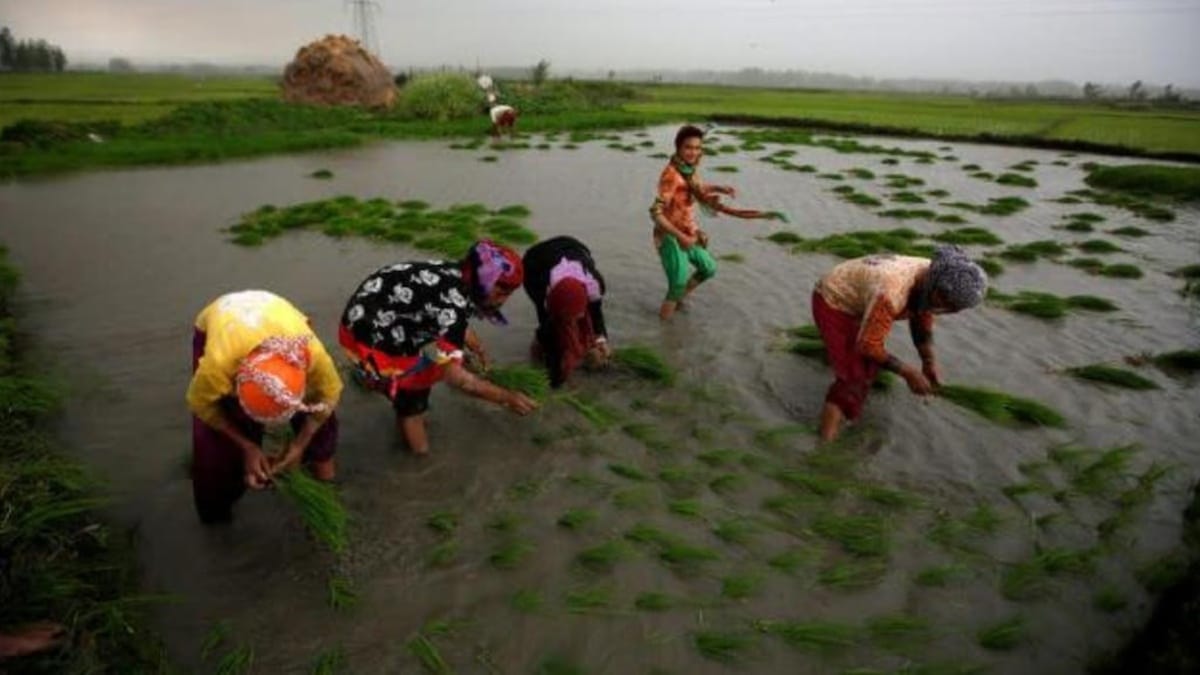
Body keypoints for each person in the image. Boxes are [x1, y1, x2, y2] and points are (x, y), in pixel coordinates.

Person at [338, 240, 539, 455]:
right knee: (414, 398)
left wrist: (475, 346)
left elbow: (444, 312)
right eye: (501, 291)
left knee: (406, 380)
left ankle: (372, 380)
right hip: (373, 343)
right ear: (484, 280)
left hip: (361, 314)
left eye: (509, 293)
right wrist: (506, 397)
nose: (504, 300)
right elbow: (455, 377)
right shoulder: (453, 308)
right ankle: (420, 456)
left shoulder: (457, 274)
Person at [187, 290, 343, 524]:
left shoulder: (311, 354)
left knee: (318, 410)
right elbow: (200, 405)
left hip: (278, 314)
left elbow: (329, 396)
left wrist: (300, 444)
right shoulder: (217, 366)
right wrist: (247, 446)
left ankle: (324, 477)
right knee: (215, 441)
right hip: (223, 318)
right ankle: (218, 508)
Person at [811, 245, 988, 442]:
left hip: (863, 294)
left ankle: (846, 411)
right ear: (937, 288)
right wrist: (908, 373)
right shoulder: (892, 291)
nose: (949, 311)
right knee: (854, 377)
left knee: (868, 367)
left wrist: (928, 361)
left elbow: (921, 315)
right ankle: (824, 445)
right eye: (948, 304)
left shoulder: (933, 277)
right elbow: (868, 345)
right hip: (833, 299)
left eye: (955, 308)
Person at [650, 124, 784, 320]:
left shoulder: (689, 169)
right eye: (688, 147)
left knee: (708, 268)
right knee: (677, 282)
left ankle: (678, 300)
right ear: (678, 147)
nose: (693, 152)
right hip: (670, 235)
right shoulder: (671, 175)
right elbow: (656, 213)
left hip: (689, 231)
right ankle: (664, 326)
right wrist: (680, 237)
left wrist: (719, 188)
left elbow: (696, 187)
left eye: (697, 148)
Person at [522, 236, 611, 388]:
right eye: (569, 318)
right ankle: (537, 364)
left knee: (582, 323)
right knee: (549, 333)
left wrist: (601, 340)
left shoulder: (595, 285)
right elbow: (546, 326)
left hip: (573, 247)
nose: (574, 320)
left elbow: (596, 314)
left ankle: (579, 348)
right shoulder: (542, 292)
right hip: (535, 263)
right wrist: (555, 378)